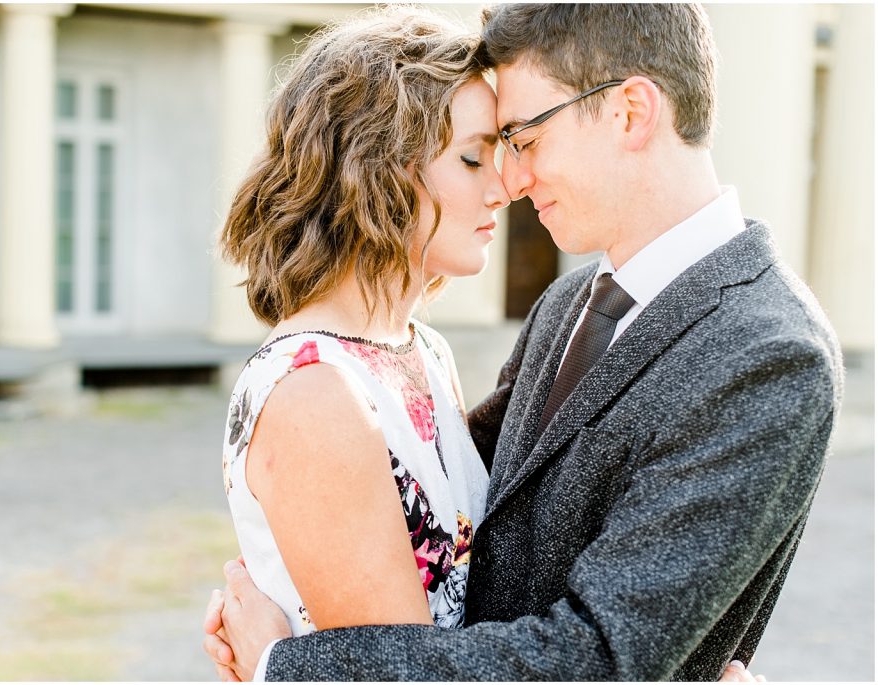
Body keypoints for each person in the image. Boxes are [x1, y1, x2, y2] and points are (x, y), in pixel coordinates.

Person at [204, 3, 843, 681]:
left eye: (526, 137)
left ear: (630, 111)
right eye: (487, 149)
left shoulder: (768, 351)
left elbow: (603, 655)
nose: (512, 178)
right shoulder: (569, 304)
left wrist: (287, 666)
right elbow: (443, 512)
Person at [218, 5, 509, 650]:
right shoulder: (314, 393)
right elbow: (403, 670)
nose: (504, 187)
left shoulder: (423, 351)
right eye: (472, 159)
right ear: (377, 166)